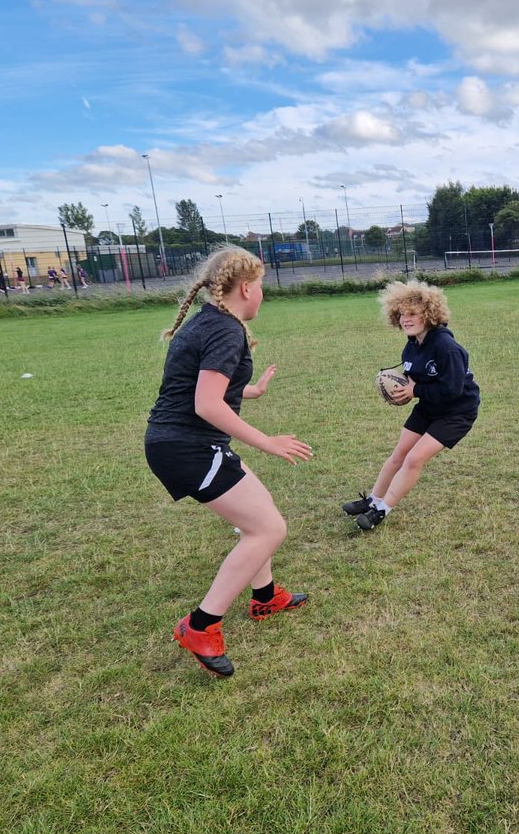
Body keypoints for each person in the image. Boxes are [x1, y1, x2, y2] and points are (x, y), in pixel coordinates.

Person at [145, 246, 314, 677]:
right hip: (188, 447)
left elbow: (202, 386)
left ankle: (266, 596)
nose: (262, 296)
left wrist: (249, 391)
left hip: (180, 443)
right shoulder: (225, 330)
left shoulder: (212, 322)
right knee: (269, 528)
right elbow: (206, 404)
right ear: (246, 287)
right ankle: (200, 626)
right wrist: (267, 442)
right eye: (261, 288)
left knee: (260, 515)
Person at [342, 280, 480, 530]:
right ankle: (373, 500)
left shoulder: (447, 348)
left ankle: (381, 511)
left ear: (429, 314)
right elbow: (415, 377)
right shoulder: (413, 344)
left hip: (457, 412)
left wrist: (415, 390)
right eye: (402, 314)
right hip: (430, 406)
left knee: (414, 459)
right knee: (399, 454)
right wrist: (403, 390)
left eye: (413, 313)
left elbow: (452, 390)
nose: (406, 319)